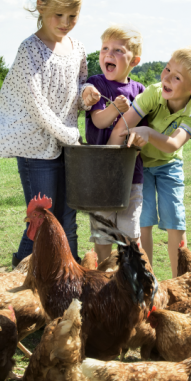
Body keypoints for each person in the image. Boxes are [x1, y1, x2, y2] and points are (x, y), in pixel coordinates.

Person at [0, 0, 100, 266]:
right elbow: (37, 106)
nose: (66, 22)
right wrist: (69, 135)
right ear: (41, 6)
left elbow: (77, 86)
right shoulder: (29, 50)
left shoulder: (78, 48)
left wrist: (86, 93)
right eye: (59, 14)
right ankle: (16, 277)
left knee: (67, 221)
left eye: (73, 15)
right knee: (42, 221)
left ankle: (69, 283)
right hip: (36, 148)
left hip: (68, 148)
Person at [108, 45, 191, 277]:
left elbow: (173, 144)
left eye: (176, 77)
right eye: (167, 69)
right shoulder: (153, 93)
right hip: (141, 165)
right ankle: (148, 279)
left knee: (174, 218)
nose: (166, 77)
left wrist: (147, 132)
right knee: (143, 220)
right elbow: (122, 126)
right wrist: (109, 161)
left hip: (169, 166)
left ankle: (180, 280)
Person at [85, 26, 145, 262]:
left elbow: (140, 130)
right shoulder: (96, 84)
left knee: (130, 233)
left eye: (118, 50)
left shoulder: (139, 90)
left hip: (131, 174)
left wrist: (138, 139)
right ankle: (103, 275)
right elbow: (98, 122)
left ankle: (128, 277)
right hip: (100, 174)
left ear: (135, 60)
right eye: (105, 48)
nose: (108, 54)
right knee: (103, 234)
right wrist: (113, 109)